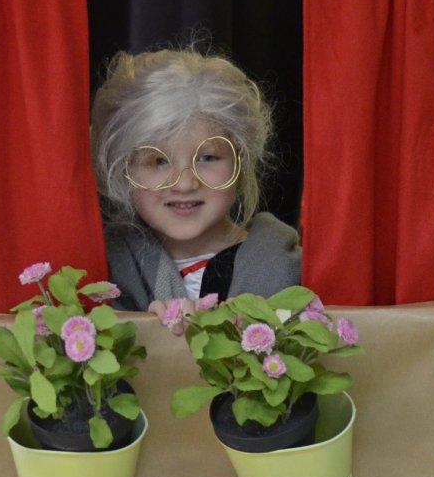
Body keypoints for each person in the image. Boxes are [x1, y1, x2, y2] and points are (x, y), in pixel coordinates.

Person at [91, 47, 301, 321]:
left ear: (240, 159)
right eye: (158, 161)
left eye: (207, 157)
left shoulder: (294, 271)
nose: (185, 184)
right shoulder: (101, 276)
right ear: (122, 169)